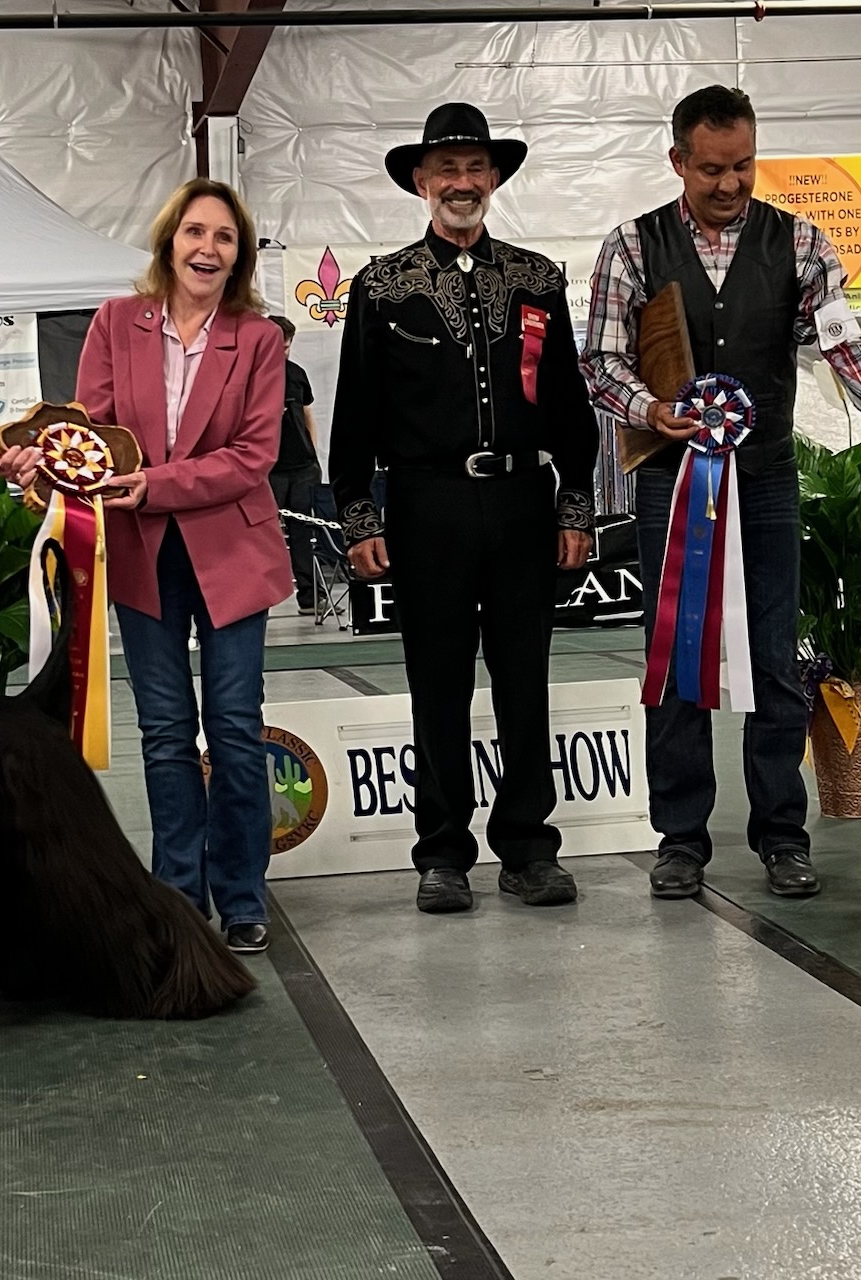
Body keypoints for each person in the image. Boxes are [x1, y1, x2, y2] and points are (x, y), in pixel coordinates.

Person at [582, 85, 861, 902]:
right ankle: (679, 841)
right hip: (671, 481)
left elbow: (844, 347)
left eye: (743, 165)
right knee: (675, 657)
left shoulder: (800, 242)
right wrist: (650, 410)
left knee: (776, 658)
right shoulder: (631, 246)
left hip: (767, 479)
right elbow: (600, 363)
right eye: (711, 169)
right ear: (677, 161)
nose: (730, 183)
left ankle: (782, 836)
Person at [0, 179, 291, 954]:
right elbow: (88, 433)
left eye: (223, 237)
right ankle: (178, 894)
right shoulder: (115, 322)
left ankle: (242, 895)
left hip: (233, 555)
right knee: (164, 733)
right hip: (139, 555)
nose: (207, 248)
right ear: (168, 241)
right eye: (195, 232)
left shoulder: (258, 338)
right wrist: (40, 461)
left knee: (234, 730)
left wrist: (155, 486)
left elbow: (253, 455)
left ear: (239, 255)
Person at [329, 102, 598, 916]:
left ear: (494, 178)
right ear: (420, 181)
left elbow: (568, 403)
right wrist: (359, 514)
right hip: (427, 504)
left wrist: (574, 506)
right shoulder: (380, 286)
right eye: (445, 168)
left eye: (474, 167)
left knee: (524, 679)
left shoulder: (538, 278)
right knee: (436, 683)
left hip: (522, 503)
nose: (461, 181)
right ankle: (442, 854)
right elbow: (355, 412)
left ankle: (528, 848)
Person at [265, 314, 324, 614]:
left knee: (303, 533)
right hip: (269, 469)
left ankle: (309, 597)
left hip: (302, 468)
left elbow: (307, 414)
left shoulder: (297, 373)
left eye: (287, 346)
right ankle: (259, 600)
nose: (284, 352)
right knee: (263, 535)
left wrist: (313, 455)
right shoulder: (253, 375)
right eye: (279, 347)